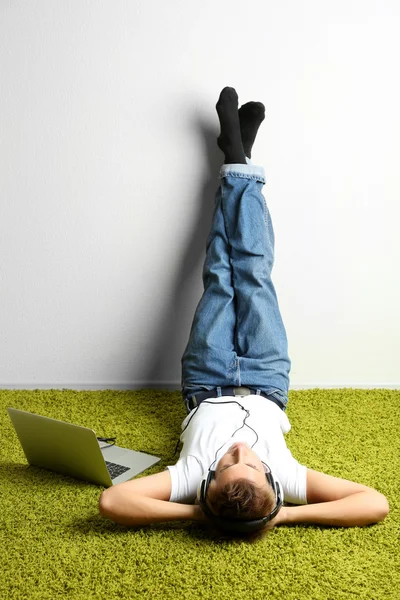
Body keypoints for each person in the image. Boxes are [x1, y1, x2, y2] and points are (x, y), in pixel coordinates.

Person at [99, 88, 389, 542]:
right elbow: (376, 503)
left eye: (226, 466)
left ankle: (238, 157)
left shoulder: (193, 476)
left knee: (219, 272)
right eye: (251, 465)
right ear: (271, 483)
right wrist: (287, 515)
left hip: (207, 377)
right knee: (252, 271)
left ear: (206, 486)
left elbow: (112, 503)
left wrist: (200, 514)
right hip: (267, 376)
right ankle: (238, 157)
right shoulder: (287, 480)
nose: (238, 453)